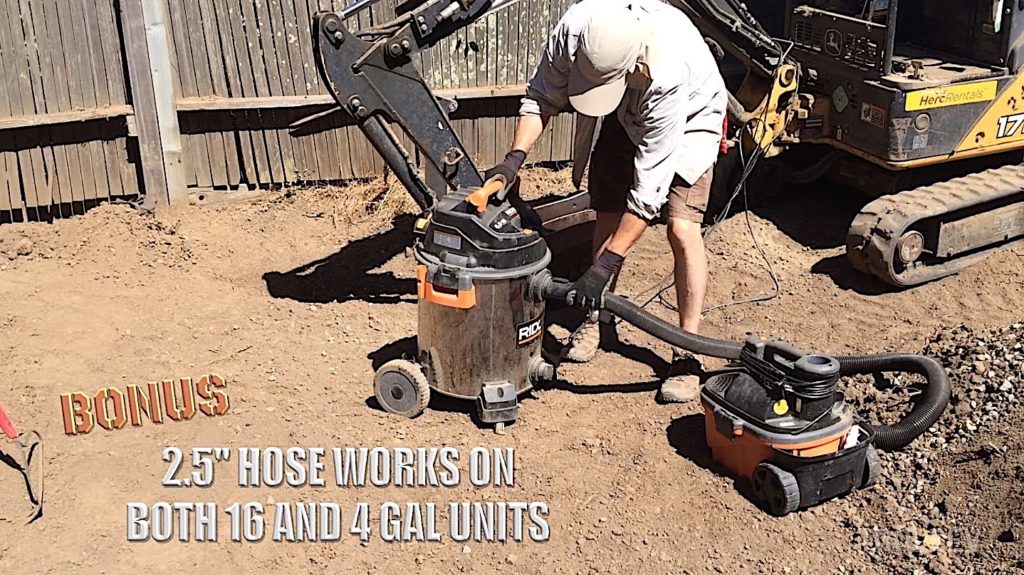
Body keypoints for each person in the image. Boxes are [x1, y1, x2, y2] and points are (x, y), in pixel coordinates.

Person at [484, 0, 727, 403]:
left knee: (681, 228)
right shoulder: (576, 29)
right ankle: (598, 318)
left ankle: (688, 349)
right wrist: (513, 162)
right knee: (608, 208)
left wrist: (604, 266)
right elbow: (540, 98)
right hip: (623, 107)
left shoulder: (667, 73)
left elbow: (648, 196)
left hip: (690, 118)